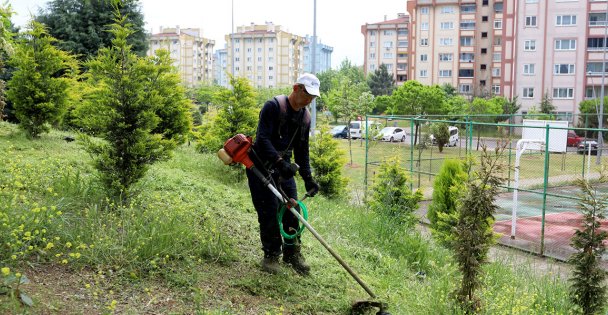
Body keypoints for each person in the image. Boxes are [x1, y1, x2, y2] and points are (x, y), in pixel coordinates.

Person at [246, 73, 321, 275]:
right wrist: (279, 162)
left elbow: (302, 152)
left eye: (313, 97)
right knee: (268, 211)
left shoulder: (305, 117)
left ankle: (292, 253)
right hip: (260, 165)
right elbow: (262, 139)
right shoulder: (273, 106)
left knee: (292, 208)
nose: (309, 100)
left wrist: (308, 178)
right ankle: (271, 256)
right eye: (307, 94)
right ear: (296, 88)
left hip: (283, 167)